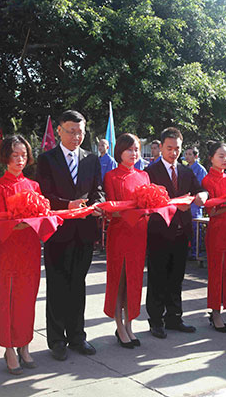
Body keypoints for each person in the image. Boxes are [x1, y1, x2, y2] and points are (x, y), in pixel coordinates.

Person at [36, 110, 105, 361]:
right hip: (58, 232)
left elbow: (98, 189)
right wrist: (67, 206)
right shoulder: (47, 160)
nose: (76, 136)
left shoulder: (91, 159)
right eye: (71, 131)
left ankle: (77, 336)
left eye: (80, 131)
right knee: (57, 286)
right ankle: (56, 340)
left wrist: (99, 204)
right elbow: (43, 195)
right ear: (60, 131)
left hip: (84, 231)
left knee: (78, 284)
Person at [145, 127, 208, 338]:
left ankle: (174, 317)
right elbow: (147, 203)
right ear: (161, 147)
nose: (173, 153)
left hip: (182, 232)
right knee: (157, 277)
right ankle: (156, 320)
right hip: (159, 232)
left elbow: (201, 189)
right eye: (169, 148)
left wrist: (203, 196)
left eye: (177, 149)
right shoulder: (150, 172)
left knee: (176, 278)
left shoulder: (186, 171)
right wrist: (172, 206)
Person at [0, 135, 41, 375]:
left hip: (30, 249)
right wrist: (25, 222)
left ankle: (25, 344)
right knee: (9, 299)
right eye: (14, 155)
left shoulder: (34, 186)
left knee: (27, 298)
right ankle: (9, 348)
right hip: (10, 249)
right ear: (5, 158)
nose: (20, 159)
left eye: (23, 155)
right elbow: (1, 223)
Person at [103, 133, 150, 348]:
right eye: (129, 149)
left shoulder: (144, 176)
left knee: (134, 280)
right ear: (120, 151)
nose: (134, 153)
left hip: (139, 234)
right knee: (119, 280)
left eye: (137, 149)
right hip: (120, 234)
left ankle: (130, 323)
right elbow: (112, 209)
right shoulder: (111, 176)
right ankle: (119, 325)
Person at [201, 141, 226, 332]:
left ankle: (222, 310)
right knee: (216, 271)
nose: (225, 159)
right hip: (216, 230)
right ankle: (214, 312)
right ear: (211, 158)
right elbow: (212, 212)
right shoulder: (207, 181)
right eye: (221, 156)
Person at [185, 146, 207, 260]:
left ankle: (196, 252)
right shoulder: (185, 168)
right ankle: (189, 251)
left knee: (196, 228)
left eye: (190, 154)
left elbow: (201, 187)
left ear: (195, 156)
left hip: (195, 202)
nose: (187, 156)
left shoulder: (200, 169)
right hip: (186, 201)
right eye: (186, 154)